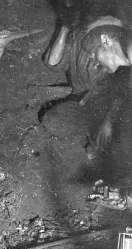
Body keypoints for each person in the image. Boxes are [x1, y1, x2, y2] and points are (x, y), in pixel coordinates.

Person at [42, 1, 132, 154]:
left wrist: (109, 120)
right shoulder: (83, 39)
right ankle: (95, 138)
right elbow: (52, 63)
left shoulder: (123, 56)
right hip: (87, 103)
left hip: (113, 109)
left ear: (106, 40)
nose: (93, 58)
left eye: (94, 53)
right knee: (54, 120)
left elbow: (122, 96)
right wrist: (65, 27)